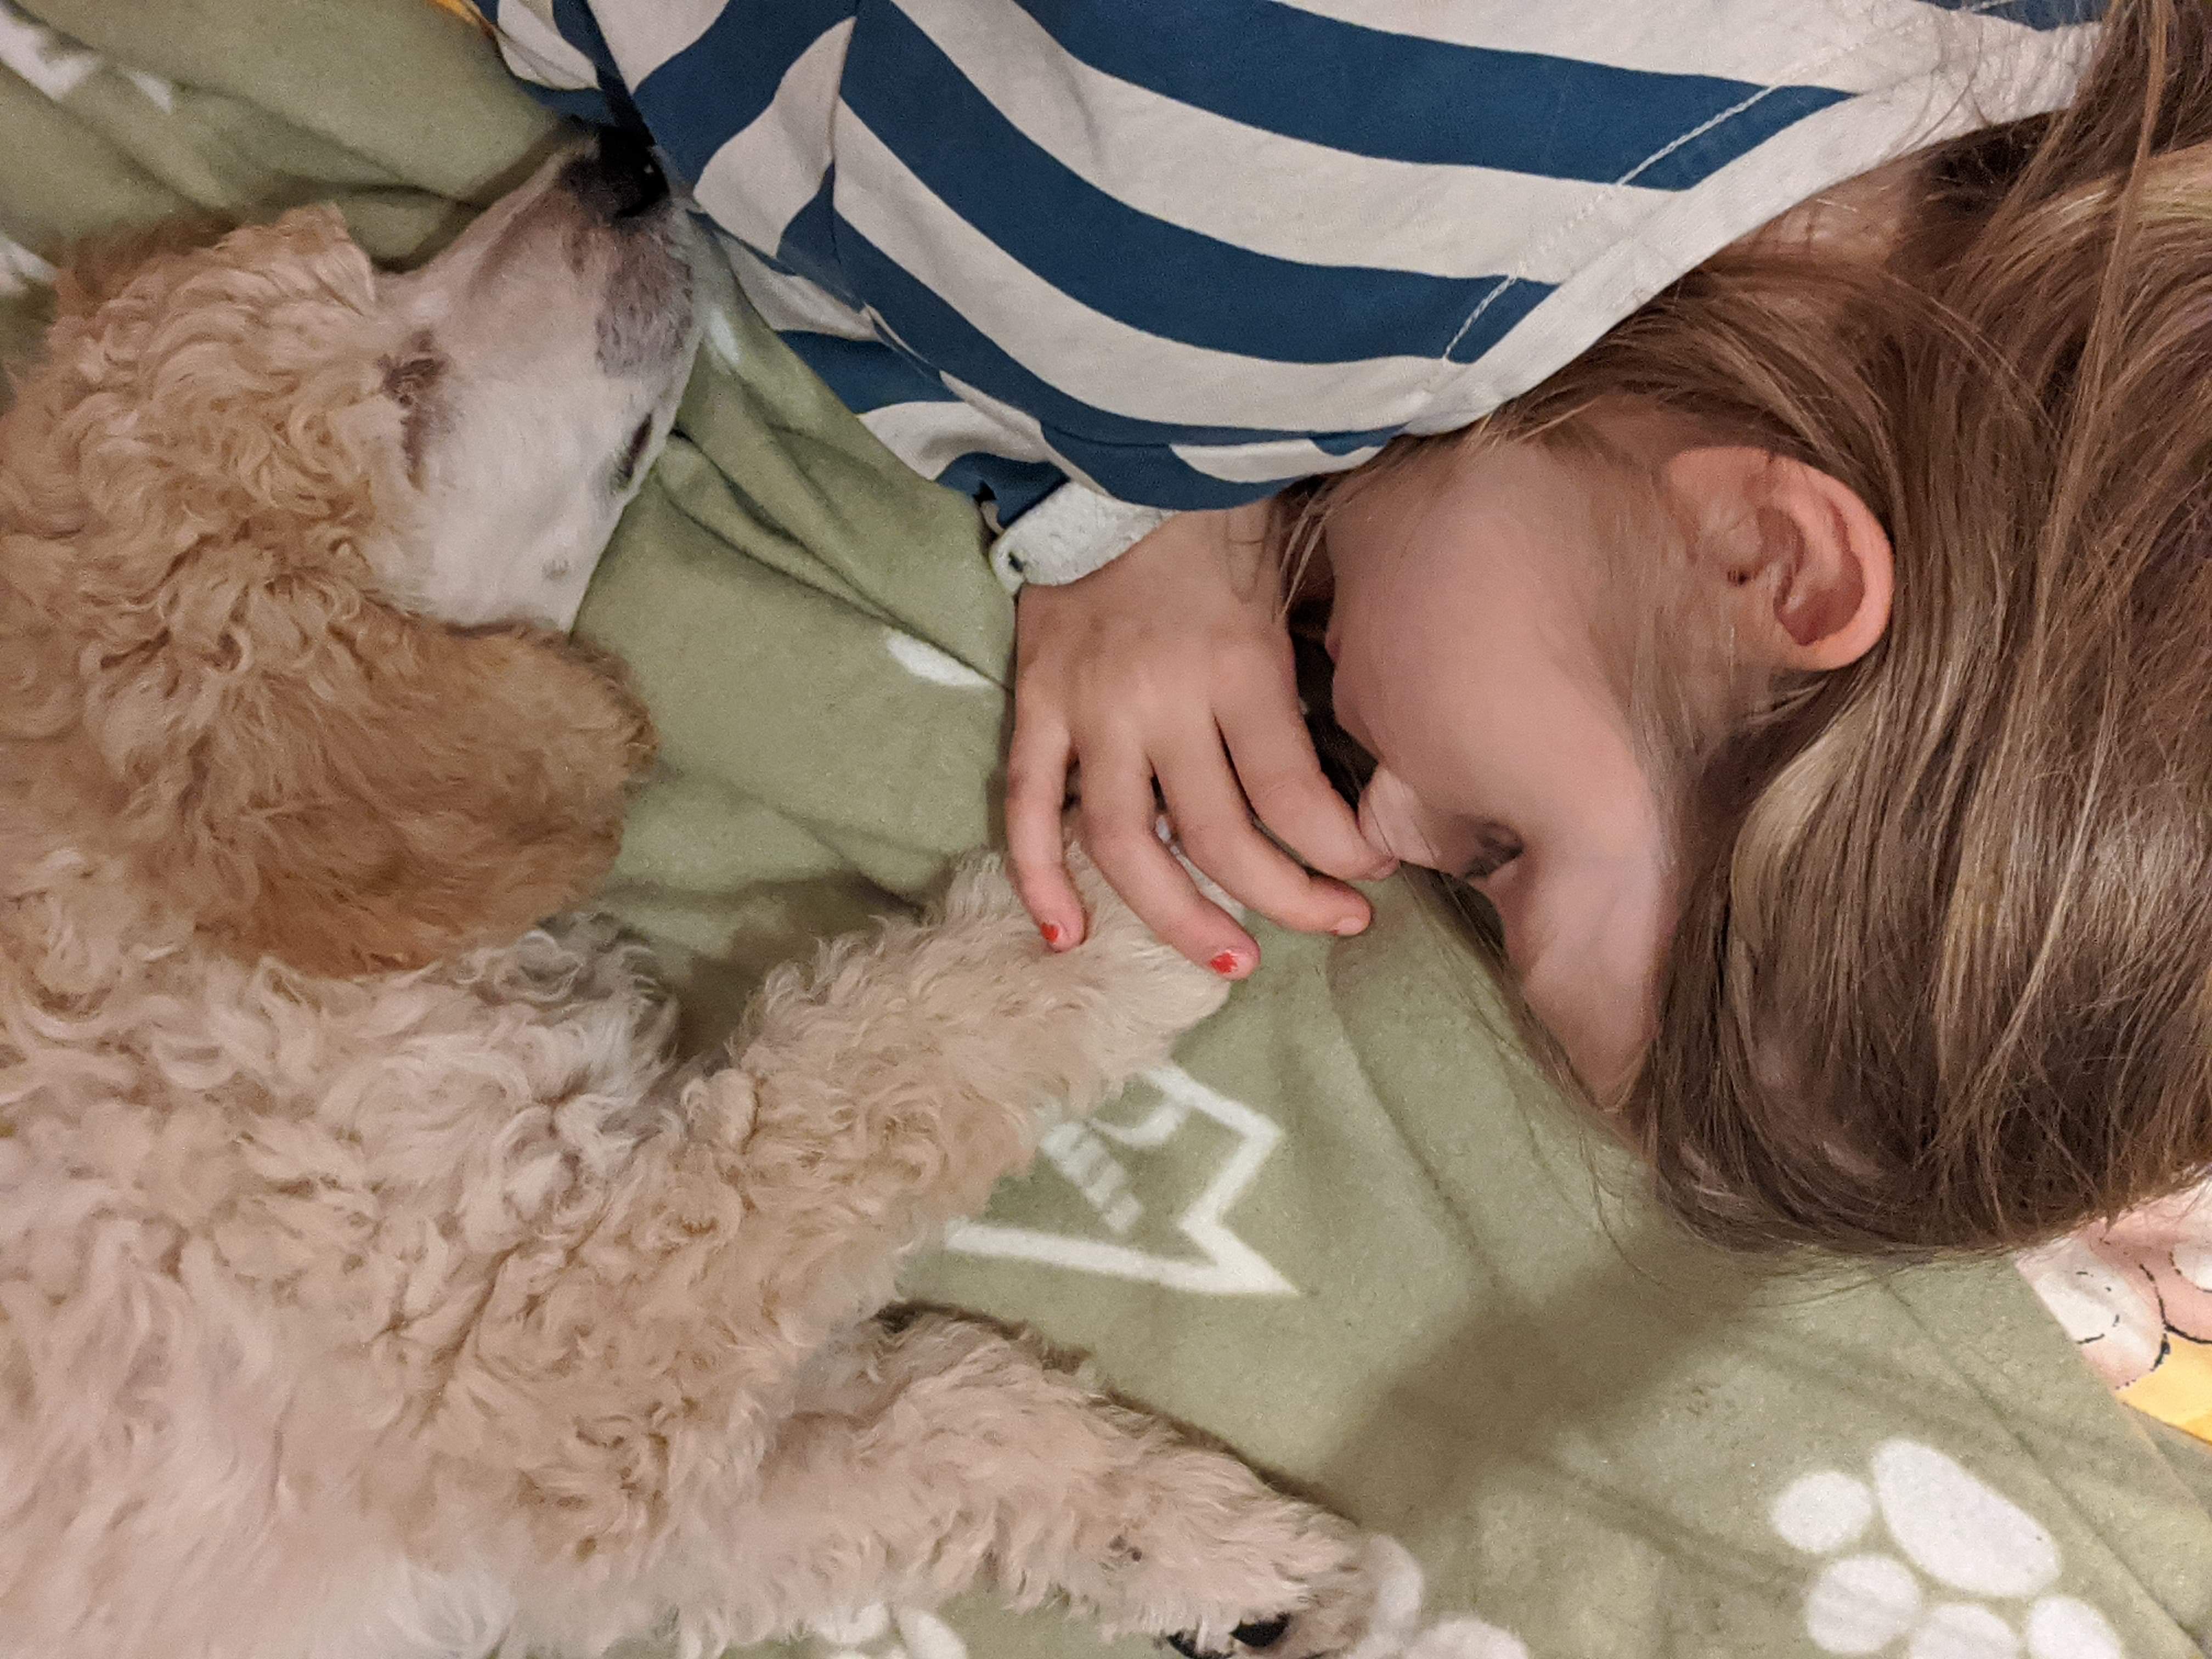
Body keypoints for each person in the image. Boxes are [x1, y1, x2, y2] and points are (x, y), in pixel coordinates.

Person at [471, 0, 2212, 1258]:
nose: (1380, 821)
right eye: (1503, 852)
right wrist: (1128, 482)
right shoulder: (1169, 288)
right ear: (1773, 559)